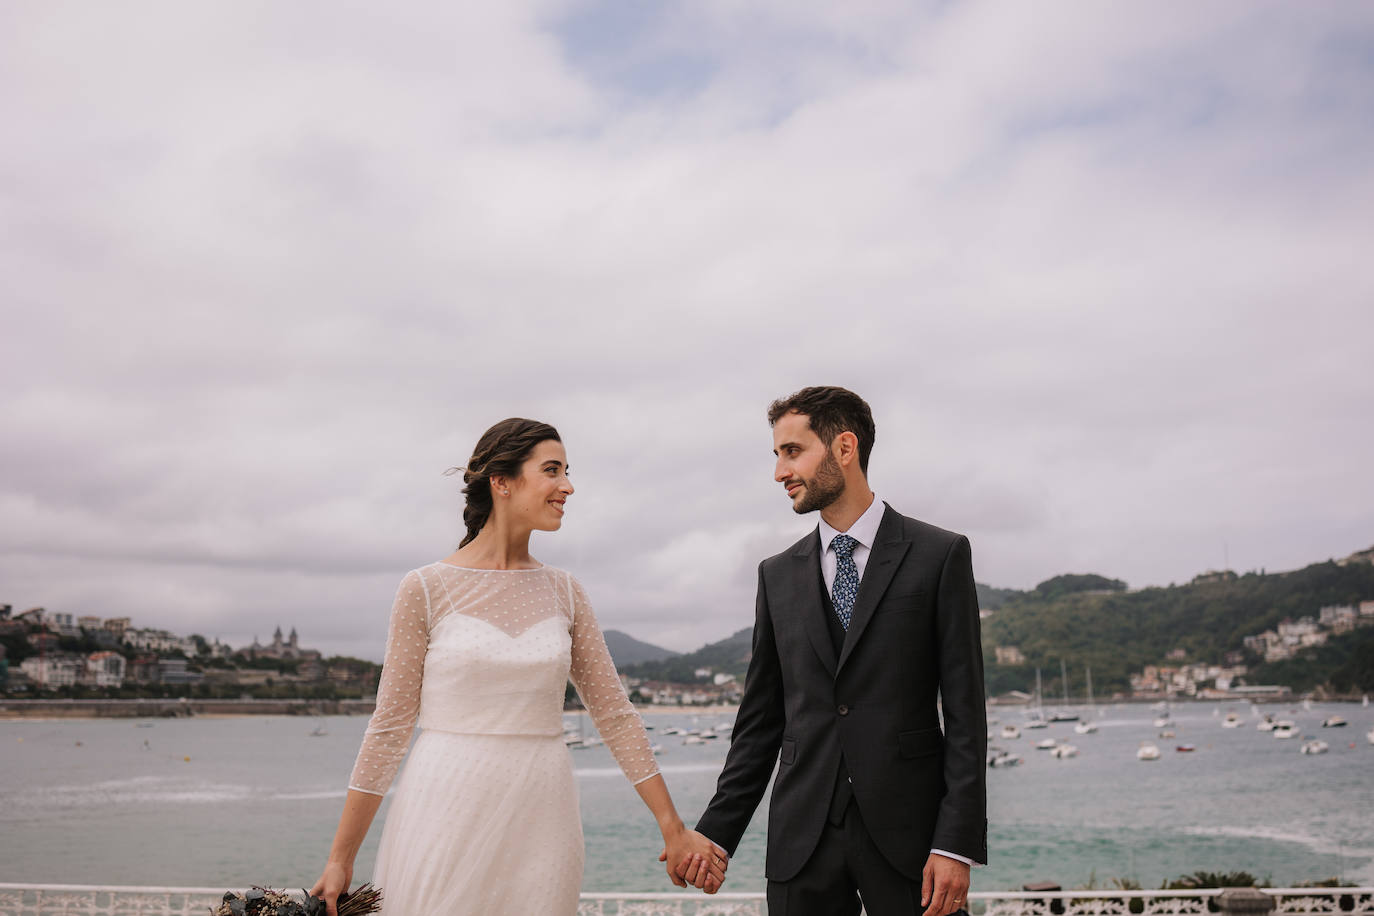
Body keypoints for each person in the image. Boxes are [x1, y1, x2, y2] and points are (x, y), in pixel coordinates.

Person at [311, 418, 726, 915]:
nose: (567, 486)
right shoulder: (423, 588)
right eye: (552, 470)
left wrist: (673, 829)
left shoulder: (566, 591)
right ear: (501, 481)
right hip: (444, 801)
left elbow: (615, 715)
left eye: (567, 471)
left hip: (543, 809)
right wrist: (341, 858)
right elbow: (389, 728)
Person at [683, 387, 987, 916]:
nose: (780, 472)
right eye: (777, 455)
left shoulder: (940, 556)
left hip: (912, 840)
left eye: (792, 451)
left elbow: (966, 714)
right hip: (803, 839)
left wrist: (955, 843)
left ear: (844, 448)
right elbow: (760, 722)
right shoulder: (775, 575)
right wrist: (716, 833)